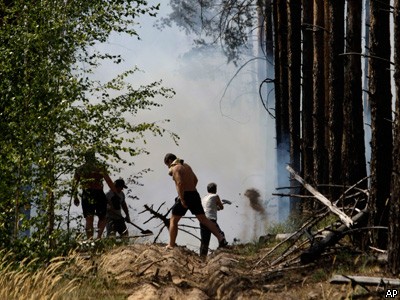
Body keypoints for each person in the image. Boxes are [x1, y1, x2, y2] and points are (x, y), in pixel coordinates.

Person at [164, 153, 228, 249]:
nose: (168, 167)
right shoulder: (186, 166)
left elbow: (179, 183)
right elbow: (196, 180)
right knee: (203, 219)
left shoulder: (176, 168)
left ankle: (171, 244)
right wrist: (191, 188)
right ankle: (220, 238)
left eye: (167, 165)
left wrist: (182, 199)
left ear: (169, 161)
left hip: (185, 195)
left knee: (173, 220)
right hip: (194, 194)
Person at [72, 150, 119, 239]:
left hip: (87, 194)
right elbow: (108, 181)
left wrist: (75, 197)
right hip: (98, 193)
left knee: (89, 218)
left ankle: (90, 239)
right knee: (102, 217)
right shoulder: (99, 167)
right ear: (93, 157)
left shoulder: (80, 169)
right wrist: (115, 193)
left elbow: (74, 184)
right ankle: (98, 237)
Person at [200, 182, 225, 256]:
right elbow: (221, 207)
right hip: (211, 220)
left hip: (203, 220)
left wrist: (216, 208)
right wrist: (219, 206)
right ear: (215, 189)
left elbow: (208, 207)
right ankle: (222, 252)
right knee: (221, 235)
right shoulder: (215, 196)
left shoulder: (204, 197)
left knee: (205, 241)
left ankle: (202, 257)